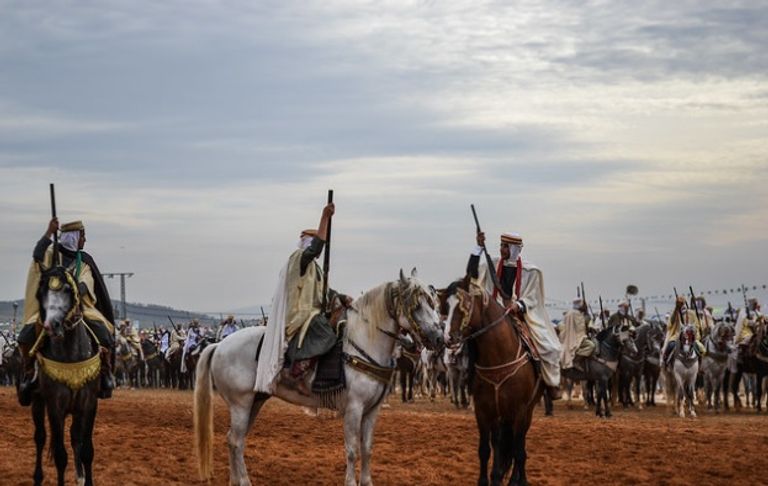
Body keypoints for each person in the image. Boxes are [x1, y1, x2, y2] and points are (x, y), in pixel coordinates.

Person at [16, 218, 116, 405]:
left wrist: (72, 289)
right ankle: (29, 373)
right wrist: (48, 232)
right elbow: (37, 256)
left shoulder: (84, 260)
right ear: (75, 236)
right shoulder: (51, 254)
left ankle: (105, 373)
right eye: (83, 236)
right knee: (26, 336)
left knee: (104, 332)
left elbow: (87, 282)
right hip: (52, 308)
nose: (84, 241)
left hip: (80, 309)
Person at [254, 202, 342, 396]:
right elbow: (316, 249)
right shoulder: (300, 258)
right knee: (325, 333)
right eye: (312, 239)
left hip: (313, 309)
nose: (315, 244)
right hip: (301, 312)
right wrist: (325, 217)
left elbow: (324, 291)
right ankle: (297, 373)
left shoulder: (315, 268)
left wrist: (343, 298)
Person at [467, 231, 562, 400]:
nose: (502, 249)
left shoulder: (530, 271)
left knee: (550, 347)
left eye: (505, 246)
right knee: (468, 339)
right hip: (494, 316)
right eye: (501, 245)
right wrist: (478, 248)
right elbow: (472, 275)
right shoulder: (492, 265)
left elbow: (534, 297)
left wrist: (517, 305)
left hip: (521, 315)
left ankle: (549, 383)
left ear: (515, 248)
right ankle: (470, 378)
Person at [662, 296, 705, 367]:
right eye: (679, 304)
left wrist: (694, 333)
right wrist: (676, 309)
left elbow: (697, 325)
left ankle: (700, 366)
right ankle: (665, 361)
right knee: (670, 345)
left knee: (700, 348)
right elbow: (670, 324)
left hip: (691, 337)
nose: (682, 305)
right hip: (677, 336)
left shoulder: (692, 313)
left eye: (682, 303)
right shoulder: (675, 313)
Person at [558, 298, 596, 370]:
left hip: (579, 336)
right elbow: (580, 327)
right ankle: (576, 360)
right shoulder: (575, 314)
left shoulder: (573, 313)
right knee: (591, 346)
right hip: (578, 337)